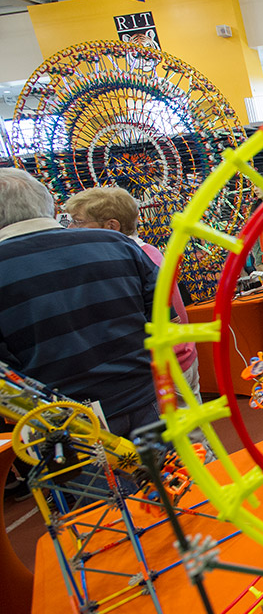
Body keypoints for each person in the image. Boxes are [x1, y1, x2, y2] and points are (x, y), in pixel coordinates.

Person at [0, 169, 159, 439]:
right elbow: (162, 320)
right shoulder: (117, 243)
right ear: (46, 203)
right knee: (175, 479)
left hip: (64, 425)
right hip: (144, 398)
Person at [64, 186, 201, 402]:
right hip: (178, 355)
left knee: (181, 431)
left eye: (78, 222)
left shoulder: (127, 261)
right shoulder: (148, 251)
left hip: (163, 364)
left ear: (112, 225)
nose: (70, 228)